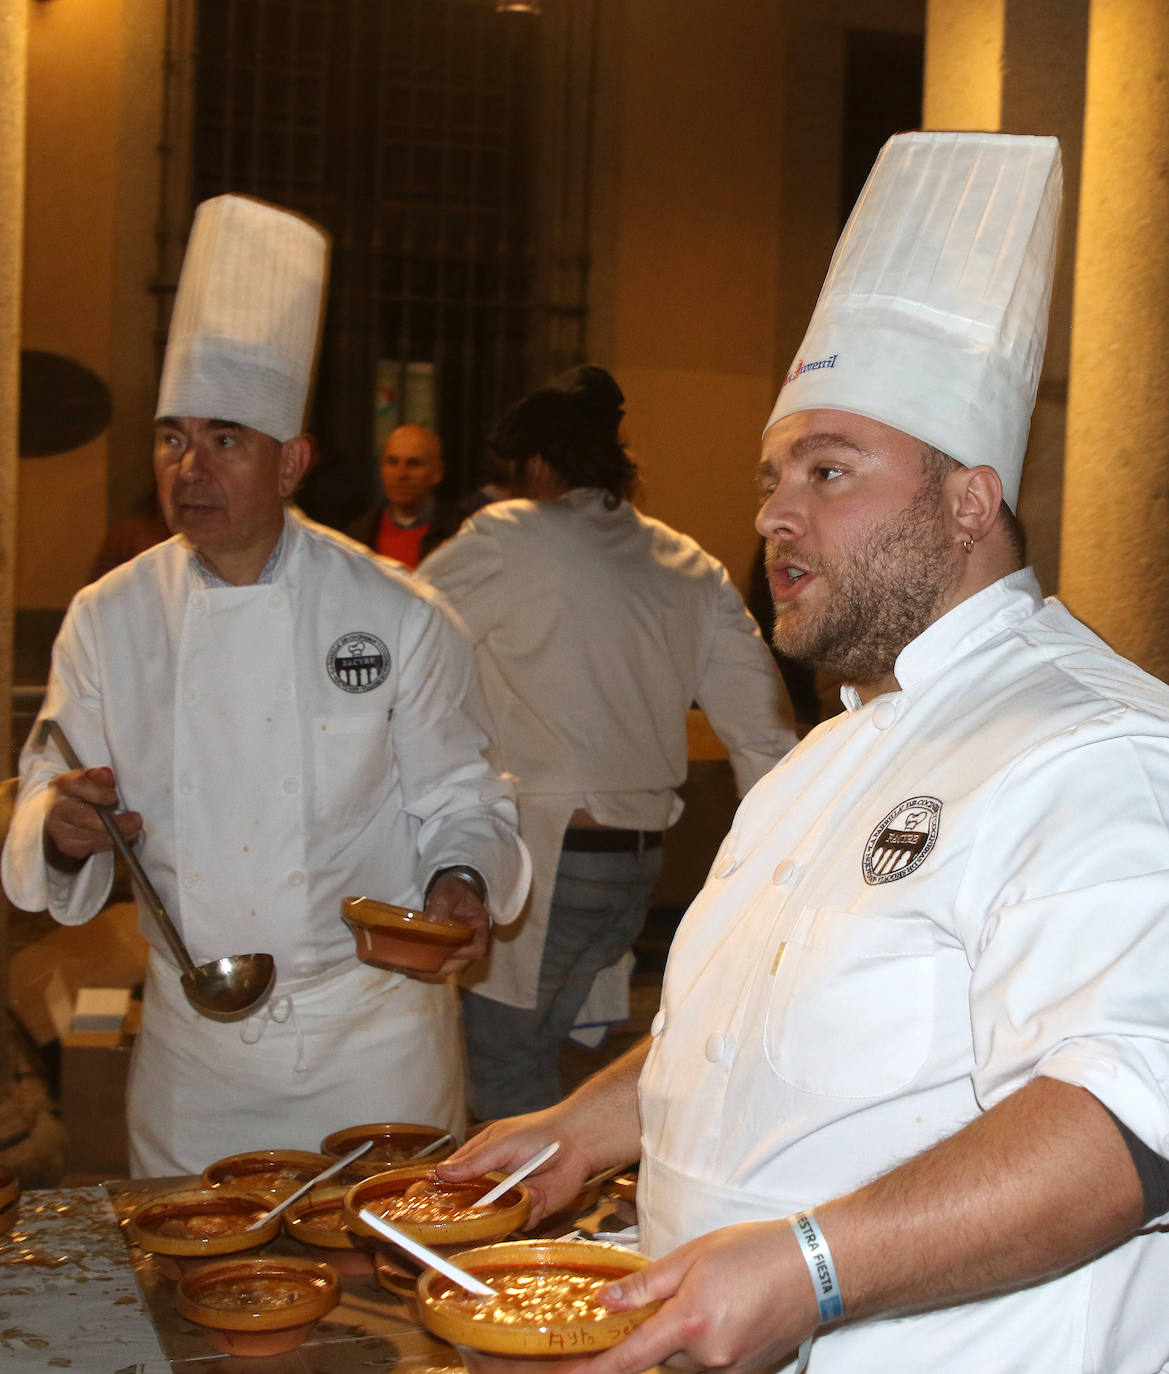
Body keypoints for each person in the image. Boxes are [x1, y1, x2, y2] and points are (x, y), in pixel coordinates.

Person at [436, 133, 1169, 1374]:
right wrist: (577, 1128)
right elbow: (736, 1048)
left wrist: (813, 1271)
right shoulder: (822, 763)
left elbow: (1127, 1123)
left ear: (968, 502)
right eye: (772, 476)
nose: (775, 511)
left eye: (829, 471)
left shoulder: (1096, 748)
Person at [2, 195, 529, 1177]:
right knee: (189, 1300)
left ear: (290, 462)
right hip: (197, 1052)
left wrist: (459, 883)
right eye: (171, 438)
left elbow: (463, 795)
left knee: (382, 1312)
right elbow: (48, 781)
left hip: (372, 1039)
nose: (187, 467)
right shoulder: (110, 619)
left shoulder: (397, 612)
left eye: (224, 440)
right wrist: (61, 825)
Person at [418, 364, 796, 1121]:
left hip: (546, 857)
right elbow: (764, 733)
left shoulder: (506, 538)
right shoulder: (688, 563)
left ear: (533, 466)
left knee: (504, 1066)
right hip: (634, 865)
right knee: (548, 1052)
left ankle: (517, 1224)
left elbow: (398, 633)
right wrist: (785, 876)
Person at [347, 423, 459, 568]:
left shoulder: (460, 535)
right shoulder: (356, 536)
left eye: (414, 464)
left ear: (437, 473)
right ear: (381, 469)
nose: (401, 474)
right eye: (392, 462)